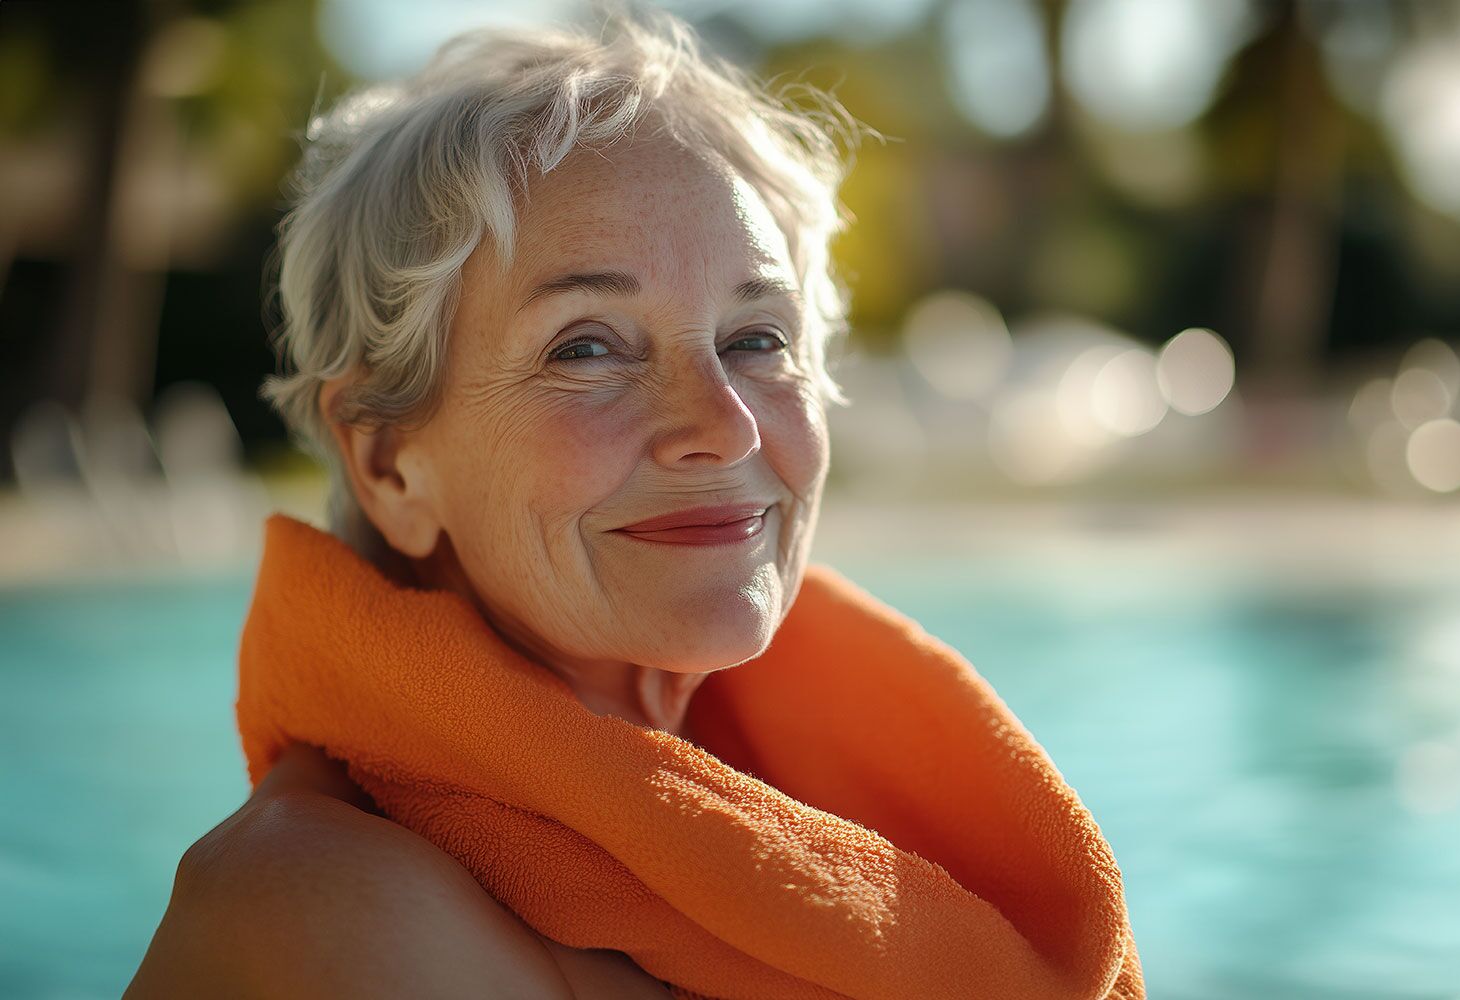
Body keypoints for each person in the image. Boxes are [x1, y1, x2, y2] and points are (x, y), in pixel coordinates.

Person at [127, 5, 1144, 997]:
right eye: (587, 347)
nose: (726, 424)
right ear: (390, 463)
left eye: (758, 338)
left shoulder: (830, 808)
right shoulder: (328, 918)